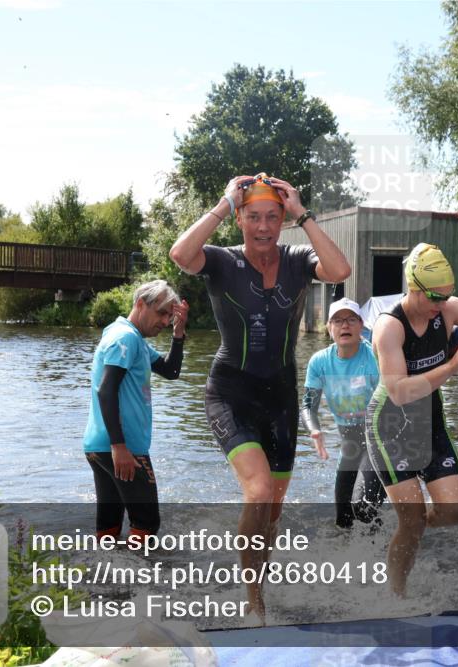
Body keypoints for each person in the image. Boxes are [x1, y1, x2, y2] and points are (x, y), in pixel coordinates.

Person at [170, 172, 350, 620]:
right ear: (240, 219)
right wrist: (222, 202)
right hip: (231, 390)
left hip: (281, 398)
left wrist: (303, 213)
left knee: (272, 508)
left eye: (273, 216)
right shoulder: (221, 261)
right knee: (259, 488)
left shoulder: (297, 258)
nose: (265, 226)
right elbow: (180, 254)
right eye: (254, 217)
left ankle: (259, 582)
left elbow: (341, 271)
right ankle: (254, 601)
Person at [366, 243, 458, 598]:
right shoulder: (389, 328)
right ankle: (395, 596)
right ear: (413, 287)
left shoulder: (449, 308)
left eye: (447, 295)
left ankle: (410, 527)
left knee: (456, 510)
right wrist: (452, 365)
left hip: (429, 421)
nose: (442, 304)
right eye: (435, 296)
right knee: (411, 520)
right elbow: (400, 391)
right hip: (390, 426)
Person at [82, 280, 189, 544]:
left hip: (99, 447)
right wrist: (120, 447)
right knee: (147, 524)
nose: (165, 321)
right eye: (161, 313)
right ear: (141, 304)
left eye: (169, 315)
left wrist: (179, 333)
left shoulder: (130, 336)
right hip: (122, 448)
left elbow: (170, 371)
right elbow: (106, 390)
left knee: (109, 524)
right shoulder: (126, 338)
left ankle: (107, 581)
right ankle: (139, 581)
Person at [301, 298, 386, 529]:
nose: (344, 326)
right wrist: (315, 429)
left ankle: (378, 557)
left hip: (379, 438)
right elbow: (308, 405)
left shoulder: (375, 358)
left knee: (367, 508)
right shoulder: (320, 362)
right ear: (329, 328)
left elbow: (394, 401)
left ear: (361, 325)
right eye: (337, 320)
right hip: (350, 440)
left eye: (350, 320)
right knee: (343, 518)